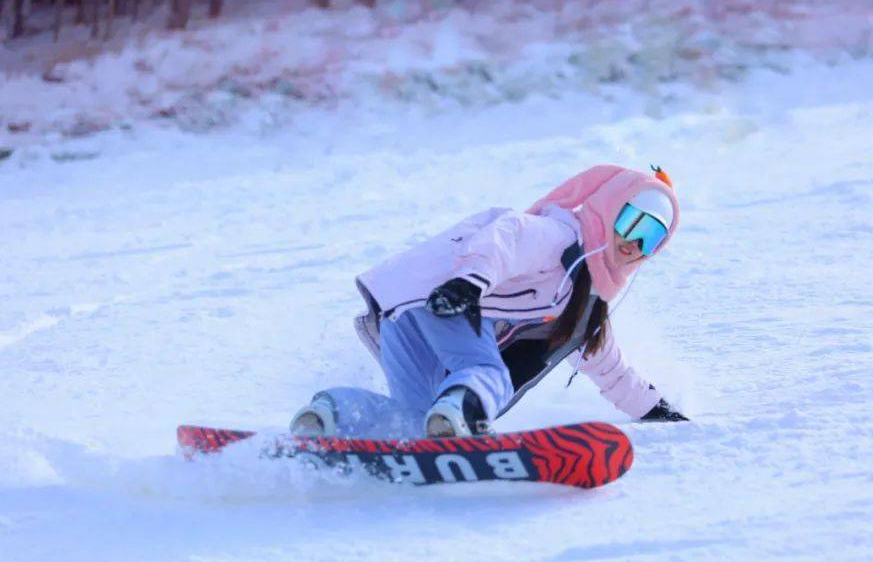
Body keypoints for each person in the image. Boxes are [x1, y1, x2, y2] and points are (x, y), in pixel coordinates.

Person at [291, 164, 690, 439]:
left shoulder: (586, 304)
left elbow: (611, 371)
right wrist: (469, 283)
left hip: (403, 311)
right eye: (631, 221)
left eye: (651, 238)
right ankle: (462, 419)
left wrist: (662, 414)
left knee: (418, 420)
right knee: (489, 374)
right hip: (446, 294)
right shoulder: (562, 238)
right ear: (608, 207)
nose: (634, 243)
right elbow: (507, 236)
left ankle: (329, 415)